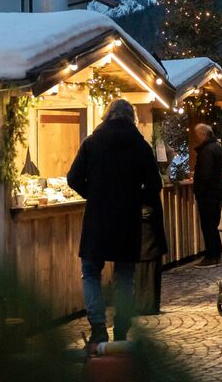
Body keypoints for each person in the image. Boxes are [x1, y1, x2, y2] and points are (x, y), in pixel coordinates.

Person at [67, 99, 167, 352]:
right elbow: (155, 185)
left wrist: (95, 193)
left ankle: (98, 328)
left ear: (107, 115)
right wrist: (135, 198)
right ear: (131, 118)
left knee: (90, 273)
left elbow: (73, 178)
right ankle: (122, 327)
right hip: (127, 220)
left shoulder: (92, 142)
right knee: (125, 277)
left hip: (97, 219)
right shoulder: (140, 145)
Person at [193, 123, 222, 268]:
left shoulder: (206, 151)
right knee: (213, 223)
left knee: (208, 225)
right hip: (216, 191)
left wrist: (199, 189)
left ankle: (211, 255)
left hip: (207, 194)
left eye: (197, 135)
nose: (197, 138)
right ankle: (216, 252)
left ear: (203, 134)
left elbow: (205, 174)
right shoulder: (217, 148)